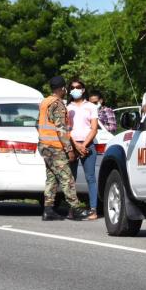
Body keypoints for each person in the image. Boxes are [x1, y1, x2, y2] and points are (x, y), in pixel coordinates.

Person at [37, 76, 89, 221]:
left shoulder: (44, 102)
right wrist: (69, 149)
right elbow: (61, 129)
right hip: (55, 147)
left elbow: (37, 124)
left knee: (51, 178)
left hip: (44, 146)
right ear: (61, 89)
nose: (66, 90)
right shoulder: (58, 104)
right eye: (65, 88)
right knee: (67, 178)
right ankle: (76, 208)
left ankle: (48, 210)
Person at [66, 78, 99, 220]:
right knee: (70, 178)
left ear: (83, 89)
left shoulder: (91, 106)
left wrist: (84, 145)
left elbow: (94, 128)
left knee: (90, 177)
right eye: (72, 87)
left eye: (78, 87)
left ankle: (93, 209)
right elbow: (65, 129)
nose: (75, 89)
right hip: (72, 145)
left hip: (88, 144)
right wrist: (75, 145)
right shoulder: (67, 107)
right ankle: (73, 209)